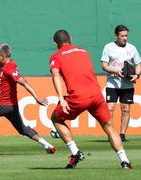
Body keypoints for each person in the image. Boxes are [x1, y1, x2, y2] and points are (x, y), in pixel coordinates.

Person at [50, 29, 132, 169]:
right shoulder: (83, 50)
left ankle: (75, 152)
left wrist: (61, 98)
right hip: (96, 95)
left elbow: (56, 75)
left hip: (78, 97)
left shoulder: (56, 56)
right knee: (109, 127)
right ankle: (124, 161)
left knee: (56, 118)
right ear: (70, 39)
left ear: (56, 43)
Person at [101, 25, 141, 142]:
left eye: (126, 36)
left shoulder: (132, 48)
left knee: (126, 109)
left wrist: (137, 75)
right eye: (122, 36)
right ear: (116, 36)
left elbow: (138, 64)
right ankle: (111, 133)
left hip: (127, 84)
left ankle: (122, 134)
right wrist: (115, 71)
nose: (125, 38)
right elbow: (104, 66)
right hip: (112, 83)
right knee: (110, 108)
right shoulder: (109, 47)